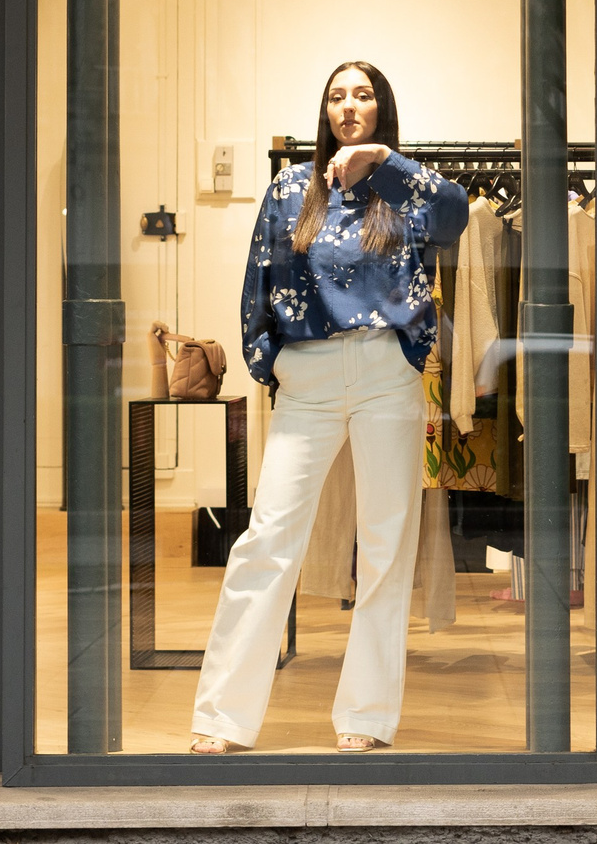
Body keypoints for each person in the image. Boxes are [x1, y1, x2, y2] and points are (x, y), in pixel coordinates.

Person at [190, 61, 465, 754]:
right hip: (308, 375)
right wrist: (270, 360)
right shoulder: (293, 187)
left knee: (385, 546)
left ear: (382, 109)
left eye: (363, 94)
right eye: (338, 94)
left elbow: (458, 214)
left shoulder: (403, 187)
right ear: (325, 109)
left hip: (384, 372)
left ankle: (366, 719)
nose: (349, 105)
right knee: (266, 541)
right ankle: (222, 718)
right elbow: (259, 273)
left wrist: (386, 161)